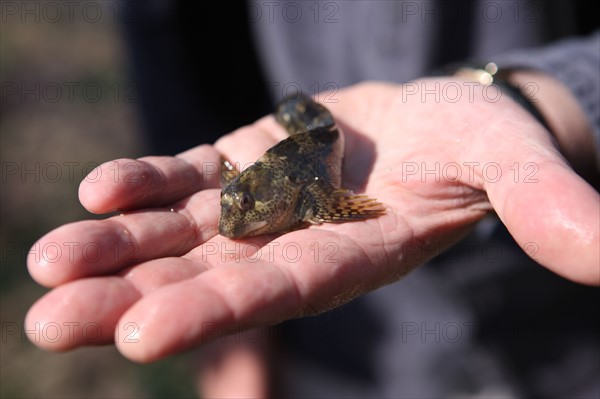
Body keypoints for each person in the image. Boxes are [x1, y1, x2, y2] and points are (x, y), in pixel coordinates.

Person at [26, 1, 599, 397]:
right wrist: (238, 355)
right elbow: (169, 39)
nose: (235, 219)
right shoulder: (254, 188)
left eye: (244, 209)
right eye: (235, 205)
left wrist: (557, 92)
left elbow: (339, 202)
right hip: (335, 358)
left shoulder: (308, 198)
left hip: (565, 350)